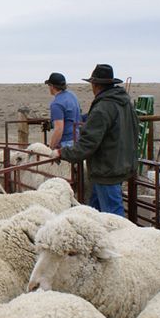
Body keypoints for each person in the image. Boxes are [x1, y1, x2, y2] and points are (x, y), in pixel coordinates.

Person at [51, 64, 139, 217]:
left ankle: (119, 238)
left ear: (96, 84)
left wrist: (61, 152)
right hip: (121, 163)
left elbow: (87, 144)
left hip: (106, 169)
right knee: (94, 210)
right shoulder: (124, 103)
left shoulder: (103, 107)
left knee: (112, 214)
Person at [44, 72, 82, 149]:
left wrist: (51, 148)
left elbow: (58, 130)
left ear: (52, 86)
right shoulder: (72, 95)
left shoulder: (56, 104)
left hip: (66, 143)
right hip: (77, 139)